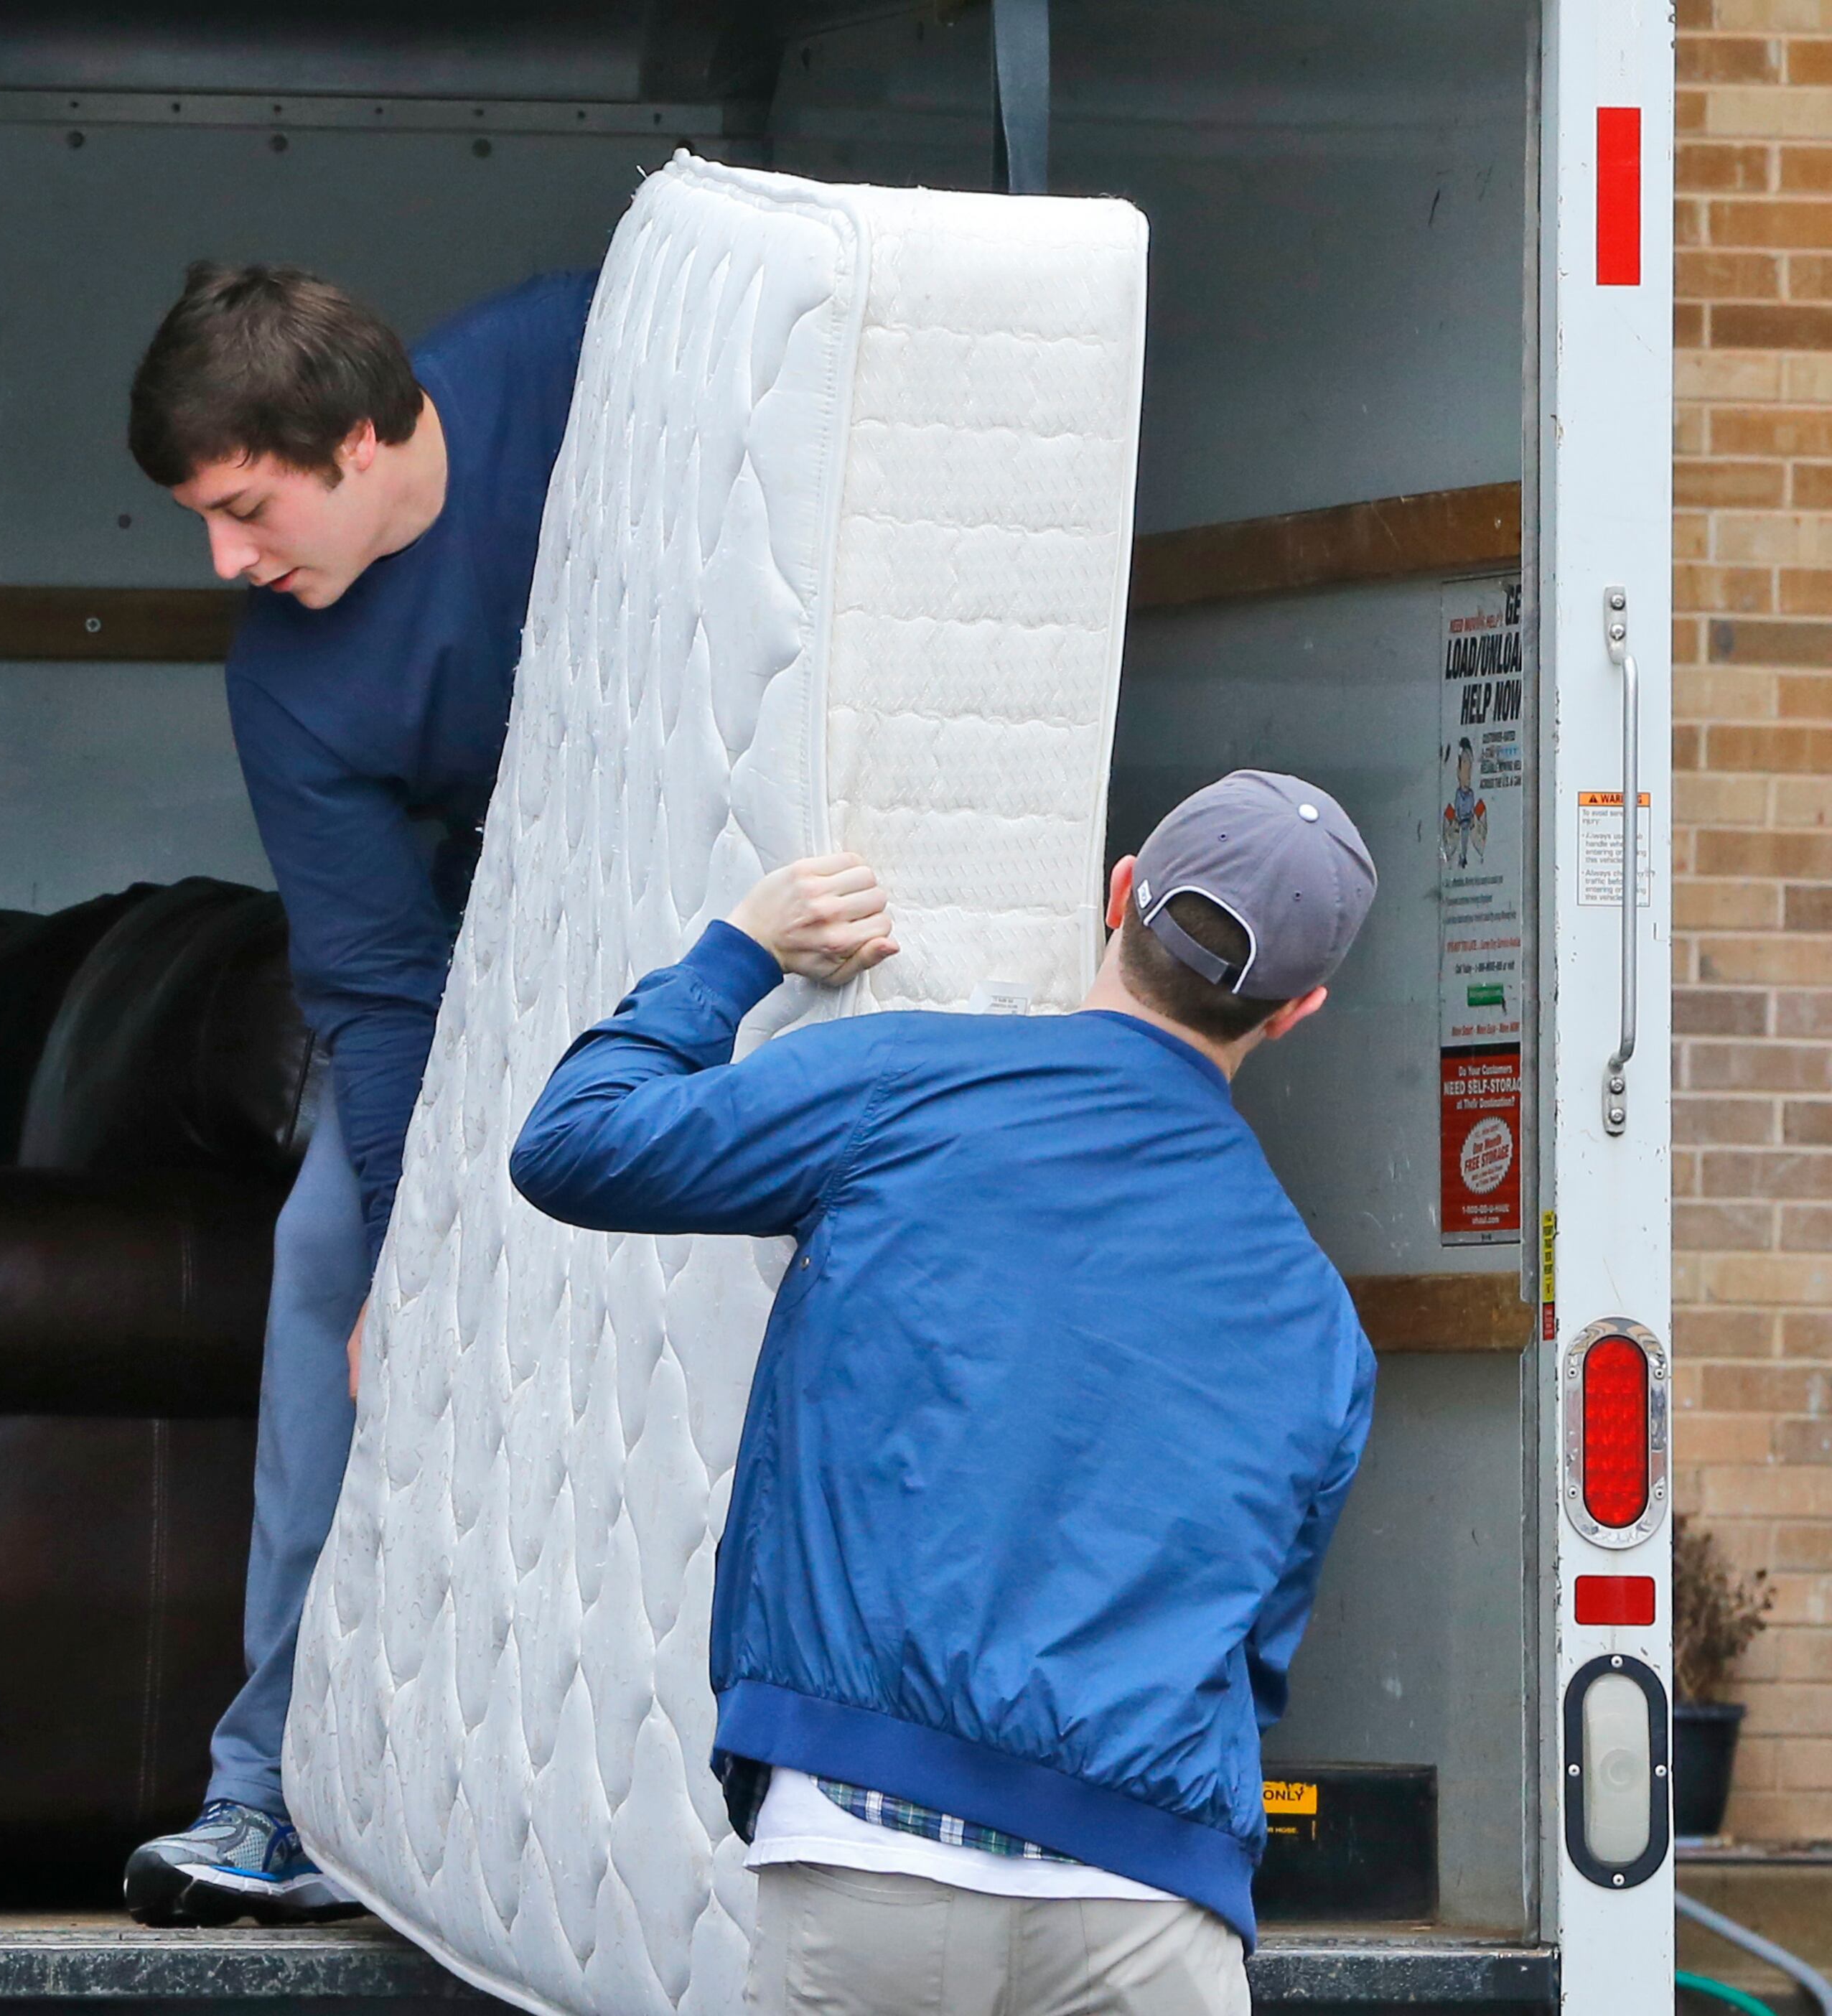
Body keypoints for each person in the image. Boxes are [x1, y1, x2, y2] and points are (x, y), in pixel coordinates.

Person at [510, 771, 1382, 2016]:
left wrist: (738, 952)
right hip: (1149, 1902)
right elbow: (1258, 1651)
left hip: (874, 1855)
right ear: (1299, 1011)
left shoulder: (902, 1085)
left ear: (1120, 894)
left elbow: (576, 1144)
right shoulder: (1321, 1325)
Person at [118, 258, 597, 1926]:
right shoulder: (289, 676)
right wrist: (417, 1262)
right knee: (329, 1266)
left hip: (734, 899)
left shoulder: (578, 350)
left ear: (368, 439)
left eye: (247, 508)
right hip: (486, 953)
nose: (228, 560)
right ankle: (276, 1798)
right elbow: (383, 996)